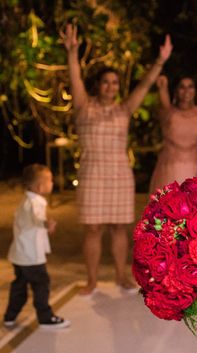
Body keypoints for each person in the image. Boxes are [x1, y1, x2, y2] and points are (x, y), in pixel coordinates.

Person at [61, 24, 172, 295]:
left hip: (119, 174)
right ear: (98, 85)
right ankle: (92, 280)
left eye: (114, 82)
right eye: (105, 82)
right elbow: (74, 79)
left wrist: (160, 61)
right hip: (91, 173)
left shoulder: (124, 109)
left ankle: (122, 276)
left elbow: (145, 85)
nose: (110, 86)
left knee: (120, 228)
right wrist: (72, 53)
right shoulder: (84, 107)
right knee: (93, 229)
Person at [3, 165, 70, 330]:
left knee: (20, 286)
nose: (52, 183)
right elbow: (34, 218)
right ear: (40, 186)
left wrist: (45, 225)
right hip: (31, 256)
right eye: (50, 180)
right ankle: (45, 317)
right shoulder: (33, 203)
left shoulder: (28, 200)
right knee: (41, 284)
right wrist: (46, 223)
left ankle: (9, 317)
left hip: (21, 255)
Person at [148, 75, 197, 192]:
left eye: (190, 87)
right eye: (182, 87)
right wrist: (162, 87)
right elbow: (164, 104)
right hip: (170, 169)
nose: (187, 91)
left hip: (194, 168)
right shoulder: (169, 113)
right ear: (176, 90)